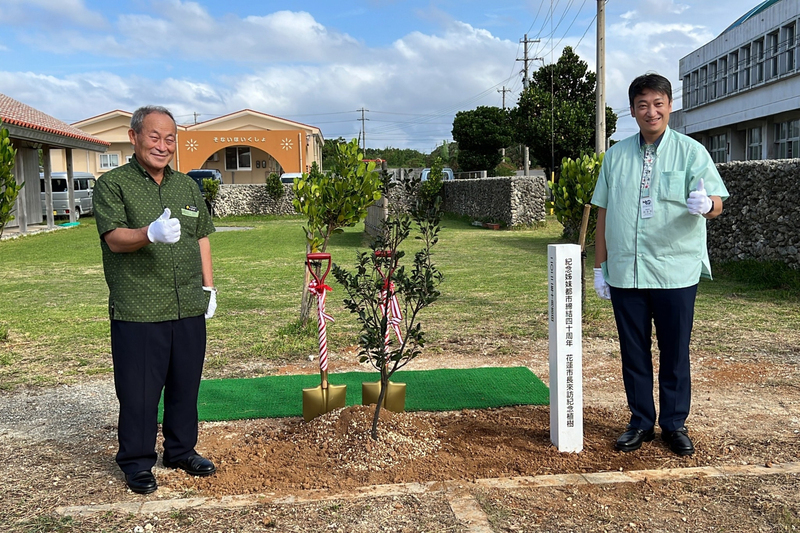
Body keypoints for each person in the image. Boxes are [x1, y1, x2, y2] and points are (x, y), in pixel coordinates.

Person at [591, 73, 729, 457]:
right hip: (626, 272)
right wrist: (600, 267)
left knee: (674, 351)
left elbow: (716, 200)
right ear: (633, 110)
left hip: (675, 271)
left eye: (658, 103)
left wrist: (709, 206)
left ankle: (673, 423)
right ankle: (639, 422)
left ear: (669, 105)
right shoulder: (615, 156)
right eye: (642, 104)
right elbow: (603, 214)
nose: (651, 111)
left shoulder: (691, 152)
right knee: (632, 350)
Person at [94, 105, 218, 494]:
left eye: (170, 139)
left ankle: (181, 451)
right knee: (139, 391)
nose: (163, 146)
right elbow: (114, 238)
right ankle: (136, 462)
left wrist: (209, 286)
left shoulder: (187, 186)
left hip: (187, 304)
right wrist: (149, 232)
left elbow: (201, 237)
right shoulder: (113, 184)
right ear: (134, 137)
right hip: (140, 308)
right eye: (154, 137)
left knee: (185, 385)